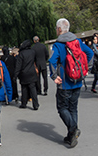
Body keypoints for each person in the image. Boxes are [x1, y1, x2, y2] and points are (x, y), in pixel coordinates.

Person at [48, 18, 94, 148]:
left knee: (62, 108)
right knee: (73, 108)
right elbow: (90, 53)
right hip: (78, 80)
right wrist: (86, 70)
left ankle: (73, 129)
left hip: (64, 82)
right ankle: (71, 136)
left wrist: (54, 76)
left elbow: (52, 61)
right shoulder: (78, 41)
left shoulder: (58, 44)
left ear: (59, 29)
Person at [14, 38, 40, 110]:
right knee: (33, 89)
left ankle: (24, 103)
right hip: (32, 72)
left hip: (24, 73)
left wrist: (15, 75)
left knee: (24, 89)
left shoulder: (21, 54)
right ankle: (36, 104)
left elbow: (18, 66)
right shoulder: (32, 52)